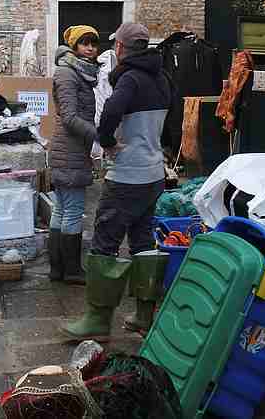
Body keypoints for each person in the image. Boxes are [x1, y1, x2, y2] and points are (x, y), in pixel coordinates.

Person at [61, 22, 172, 340]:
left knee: (105, 242)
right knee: (143, 243)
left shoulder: (130, 79)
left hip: (127, 175)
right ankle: (144, 315)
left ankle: (97, 319)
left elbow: (111, 110)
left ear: (121, 48)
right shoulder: (162, 77)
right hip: (153, 173)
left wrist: (106, 140)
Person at [48, 25, 101, 285]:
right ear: (73, 46)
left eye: (93, 43)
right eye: (84, 43)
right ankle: (71, 270)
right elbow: (69, 117)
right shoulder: (68, 74)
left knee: (61, 209)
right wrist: (100, 136)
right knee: (72, 212)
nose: (90, 47)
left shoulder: (77, 72)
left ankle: (57, 270)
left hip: (69, 150)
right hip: (68, 150)